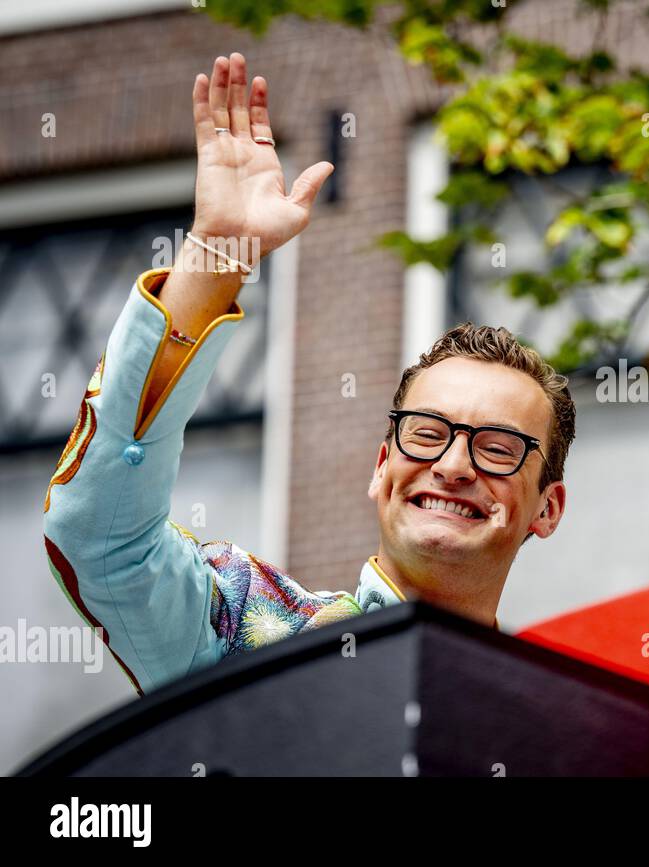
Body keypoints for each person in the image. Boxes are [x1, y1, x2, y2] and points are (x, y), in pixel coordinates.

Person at [41, 53, 574, 696]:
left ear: (548, 508)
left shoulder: (558, 726)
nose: (454, 466)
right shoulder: (247, 633)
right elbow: (100, 541)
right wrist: (218, 253)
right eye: (428, 433)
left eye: (497, 447)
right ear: (382, 467)